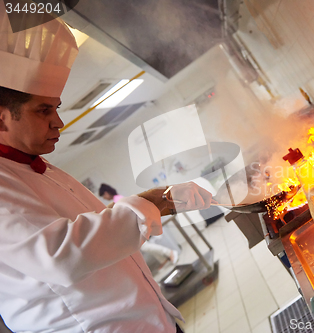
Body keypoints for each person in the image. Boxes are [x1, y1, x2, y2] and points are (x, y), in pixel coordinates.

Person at [0, 9, 212, 333]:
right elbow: (59, 255)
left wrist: (152, 203)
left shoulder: (41, 168)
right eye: (44, 110)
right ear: (2, 118)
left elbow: (97, 235)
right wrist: (153, 202)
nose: (58, 122)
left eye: (56, 107)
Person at [99, 183, 180, 266]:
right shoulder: (117, 199)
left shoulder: (117, 200)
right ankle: (163, 260)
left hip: (135, 225)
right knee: (144, 246)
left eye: (103, 196)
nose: (104, 198)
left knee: (144, 247)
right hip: (135, 225)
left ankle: (170, 253)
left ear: (106, 193)